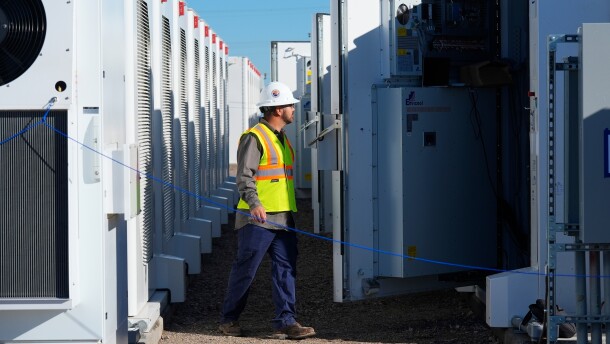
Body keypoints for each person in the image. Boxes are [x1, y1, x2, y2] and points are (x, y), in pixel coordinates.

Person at [218, 81, 316, 340]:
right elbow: (244, 176)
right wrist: (255, 204)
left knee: (286, 269)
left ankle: (286, 321)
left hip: (283, 217)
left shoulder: (281, 139)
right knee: (245, 270)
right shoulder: (255, 137)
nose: (294, 109)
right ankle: (229, 321)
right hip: (257, 219)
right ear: (276, 109)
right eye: (289, 106)